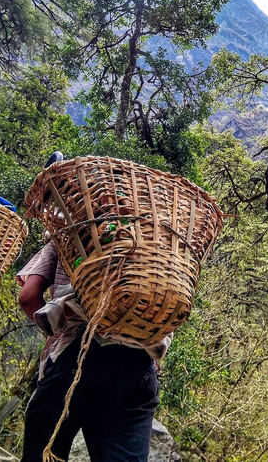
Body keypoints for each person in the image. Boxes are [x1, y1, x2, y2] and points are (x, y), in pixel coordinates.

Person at [16, 153, 171, 462]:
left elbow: (27, 296)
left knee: (42, 455)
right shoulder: (157, 245)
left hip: (74, 360)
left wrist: (54, 327)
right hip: (136, 367)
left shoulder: (67, 236)